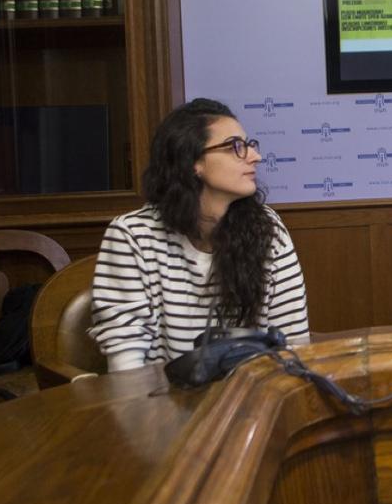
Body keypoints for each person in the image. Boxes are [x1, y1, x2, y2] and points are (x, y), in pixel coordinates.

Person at [89, 98, 309, 371]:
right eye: (235, 147)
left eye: (249, 145)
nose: (255, 156)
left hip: (252, 399)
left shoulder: (268, 228)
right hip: (160, 404)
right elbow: (126, 370)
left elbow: (293, 345)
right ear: (193, 162)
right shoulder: (132, 235)